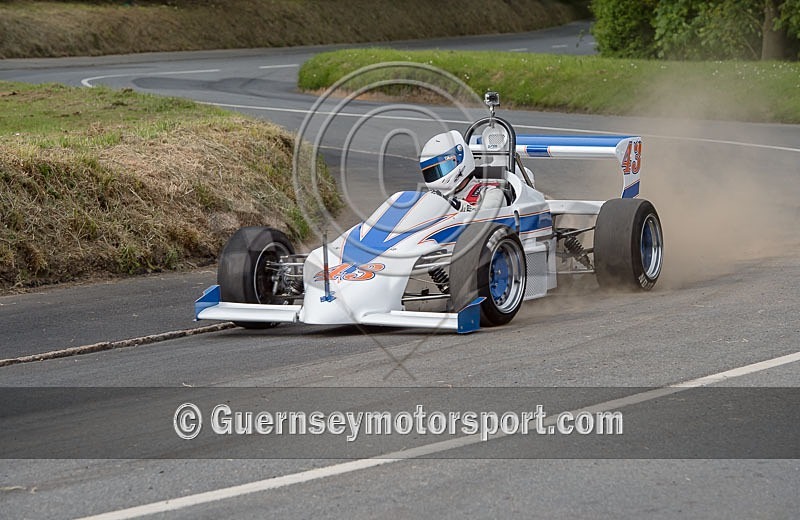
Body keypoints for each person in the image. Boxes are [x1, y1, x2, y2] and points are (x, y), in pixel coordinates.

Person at [419, 130, 505, 212]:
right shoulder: (435, 199)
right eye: (432, 173)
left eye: (443, 168)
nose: (437, 175)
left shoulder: (492, 193)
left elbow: (485, 215)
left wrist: (459, 206)